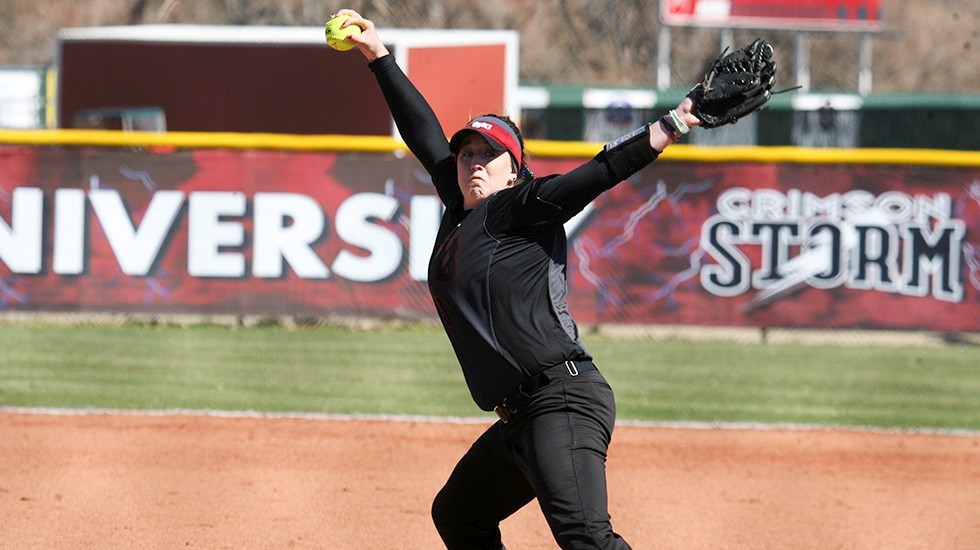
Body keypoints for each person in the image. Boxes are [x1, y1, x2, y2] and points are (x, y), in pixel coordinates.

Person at [335, 9, 700, 549]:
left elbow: (595, 175)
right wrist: (378, 56)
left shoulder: (520, 206)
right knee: (459, 515)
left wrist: (674, 124)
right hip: (520, 417)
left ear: (516, 168)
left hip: (563, 399)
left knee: (585, 538)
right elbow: (423, 132)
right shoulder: (459, 206)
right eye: (467, 154)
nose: (474, 162)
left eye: (490, 154)